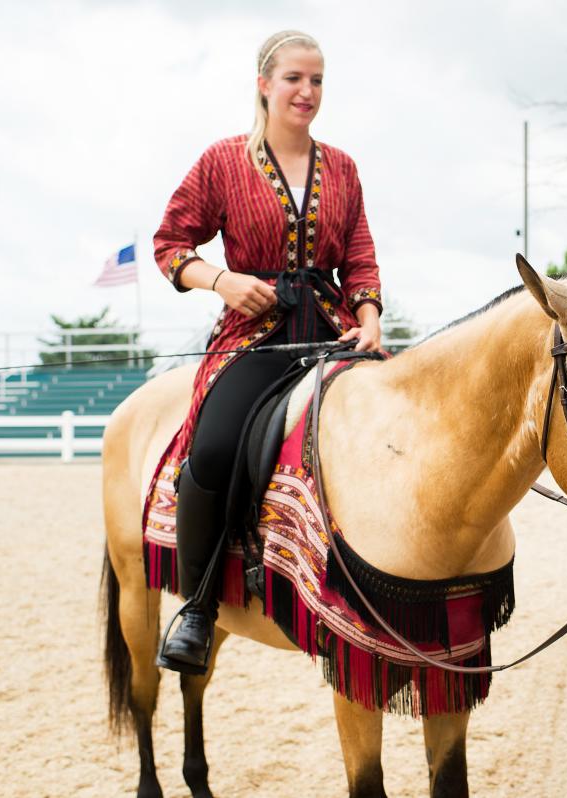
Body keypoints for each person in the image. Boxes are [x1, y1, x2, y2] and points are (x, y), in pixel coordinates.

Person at [150, 30, 384, 674]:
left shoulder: (344, 168)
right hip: (254, 338)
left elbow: (360, 257)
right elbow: (170, 244)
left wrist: (368, 318)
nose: (307, 93)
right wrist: (223, 281)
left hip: (333, 330)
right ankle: (197, 607)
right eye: (294, 80)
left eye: (316, 81)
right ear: (264, 83)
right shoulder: (222, 161)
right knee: (218, 446)